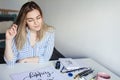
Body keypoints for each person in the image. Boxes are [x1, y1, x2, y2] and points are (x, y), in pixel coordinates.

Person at [4, 1, 55, 66]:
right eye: (30, 20)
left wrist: (26, 60)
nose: (36, 23)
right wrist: (8, 40)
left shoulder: (50, 32)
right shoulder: (17, 33)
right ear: (25, 21)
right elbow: (10, 63)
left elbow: (46, 58)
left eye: (38, 18)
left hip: (40, 70)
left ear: (42, 17)